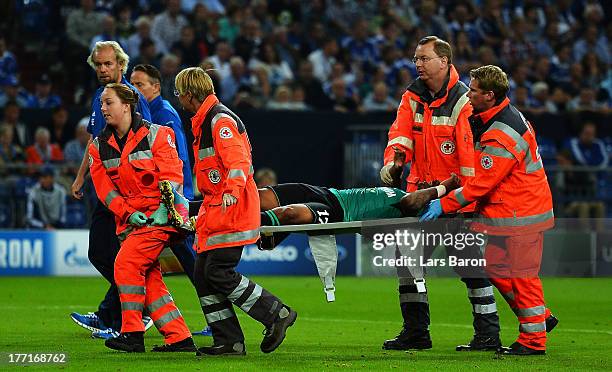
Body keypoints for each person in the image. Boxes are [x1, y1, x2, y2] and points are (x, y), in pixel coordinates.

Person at [421, 65, 558, 355]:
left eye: (473, 91)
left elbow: (482, 184)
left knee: (522, 277)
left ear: (490, 95)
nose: (468, 95)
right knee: (496, 268)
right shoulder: (498, 117)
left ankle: (534, 341)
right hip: (509, 213)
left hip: (522, 214)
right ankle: (541, 317)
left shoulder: (501, 133)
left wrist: (443, 203)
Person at [379, 36, 501, 352]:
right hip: (420, 195)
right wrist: (394, 162)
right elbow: (400, 134)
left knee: (469, 266)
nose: (417, 64)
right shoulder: (412, 97)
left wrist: (446, 195)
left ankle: (488, 335)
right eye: (416, 59)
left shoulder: (465, 102)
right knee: (406, 263)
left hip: (458, 200)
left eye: (424, 58)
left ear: (444, 61)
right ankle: (416, 333)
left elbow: (469, 165)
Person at [173, 67, 297, 356]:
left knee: (217, 271)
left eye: (179, 93)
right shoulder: (205, 120)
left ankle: (276, 312)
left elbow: (239, 163)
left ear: (190, 95)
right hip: (217, 209)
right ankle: (228, 340)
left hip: (233, 207)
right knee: (203, 274)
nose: (178, 99)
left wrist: (230, 192)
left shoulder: (219, 120)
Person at [88, 83, 195, 353]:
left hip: (162, 217)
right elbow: (106, 192)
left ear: (126, 106)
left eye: (108, 103)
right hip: (132, 223)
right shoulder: (98, 147)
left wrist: (163, 208)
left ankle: (132, 333)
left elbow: (173, 175)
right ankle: (179, 337)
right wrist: (127, 213)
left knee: (125, 264)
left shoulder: (159, 135)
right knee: (148, 278)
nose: (102, 108)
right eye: (102, 103)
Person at [69, 41, 152, 339]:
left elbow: (147, 140)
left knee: (120, 256)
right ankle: (129, 310)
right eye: (98, 65)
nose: (103, 70)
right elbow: (95, 143)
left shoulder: (131, 97)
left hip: (131, 193)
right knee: (101, 253)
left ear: (120, 64)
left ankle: (121, 317)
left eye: (108, 64)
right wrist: (81, 178)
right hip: (109, 191)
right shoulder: (100, 97)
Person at [130, 63, 212, 337]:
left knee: (187, 262)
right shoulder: (151, 112)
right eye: (133, 84)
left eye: (140, 85)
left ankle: (216, 321)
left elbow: (176, 157)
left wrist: (178, 196)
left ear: (155, 87)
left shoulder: (163, 113)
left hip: (174, 199)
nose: (135, 89)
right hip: (168, 197)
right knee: (145, 257)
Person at [256, 174, 460, 249]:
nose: (429, 183)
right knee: (258, 196)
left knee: (289, 213)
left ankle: (238, 226)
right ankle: (265, 234)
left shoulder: (415, 206)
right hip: (328, 193)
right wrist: (396, 169)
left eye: (431, 186)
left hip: (338, 212)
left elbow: (410, 202)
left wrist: (443, 187)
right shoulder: (399, 194)